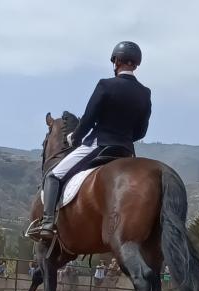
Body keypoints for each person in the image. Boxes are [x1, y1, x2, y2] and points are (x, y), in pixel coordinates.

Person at [36, 41, 152, 240]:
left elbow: (89, 119)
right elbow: (141, 131)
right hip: (126, 151)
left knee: (54, 175)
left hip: (100, 145)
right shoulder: (145, 93)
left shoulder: (106, 85)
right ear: (136, 64)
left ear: (115, 61)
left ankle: (47, 222)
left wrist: (76, 137)